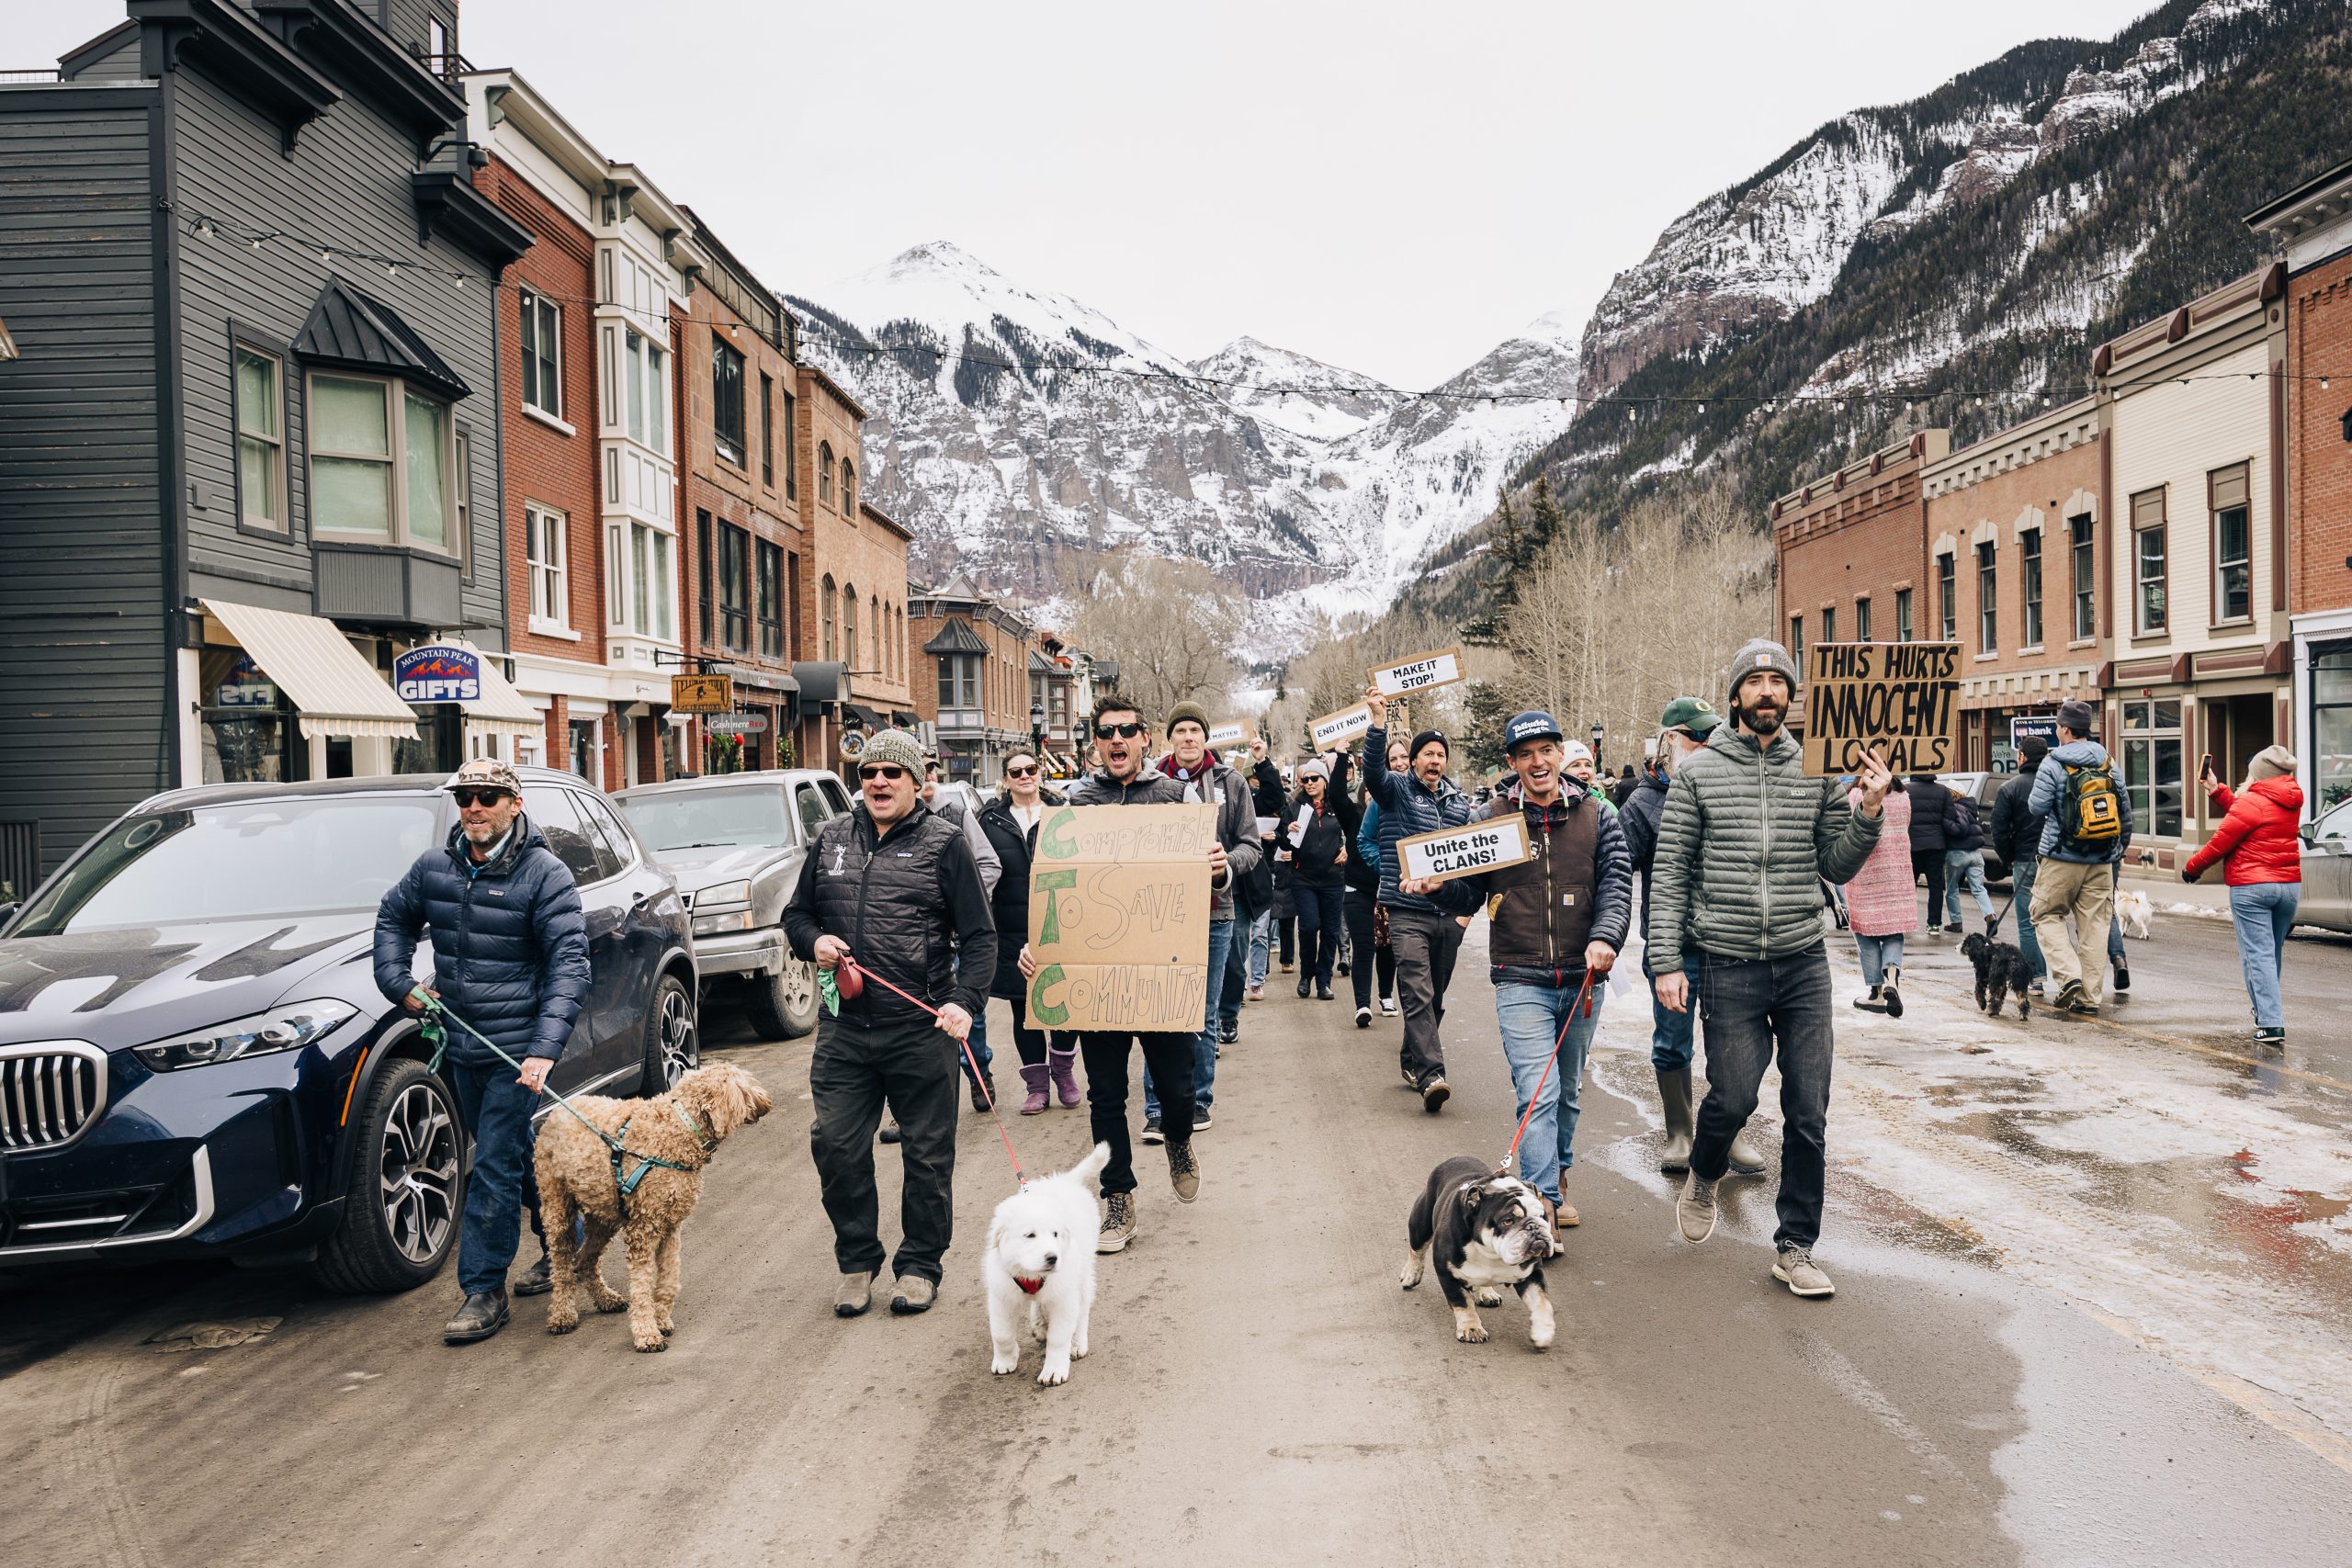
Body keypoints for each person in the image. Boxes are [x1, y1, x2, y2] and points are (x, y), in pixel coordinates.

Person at [1648, 639, 1891, 1300]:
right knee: (1733, 1096)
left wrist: (1868, 811)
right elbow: (1669, 874)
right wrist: (1666, 960)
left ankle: (1795, 1245)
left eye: (1777, 683)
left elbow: (1835, 865)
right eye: (1754, 682)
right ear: (1734, 696)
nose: (1766, 692)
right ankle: (1705, 1169)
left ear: (1791, 697)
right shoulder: (1698, 773)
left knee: (1808, 1108)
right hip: (1728, 961)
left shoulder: (1811, 772)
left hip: (1802, 959)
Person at [373, 758, 591, 1345]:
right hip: (460, 1043)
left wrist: (544, 1049)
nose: (474, 807)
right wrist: (400, 982)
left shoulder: (546, 875)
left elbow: (570, 964)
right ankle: (563, 1240)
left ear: (514, 805)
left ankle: (483, 1290)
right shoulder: (433, 869)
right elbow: (393, 918)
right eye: (466, 796)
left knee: (490, 1162)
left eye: (488, 797)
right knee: (512, 1154)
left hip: (517, 1049)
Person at [784, 728, 996, 1317]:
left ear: (914, 781)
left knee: (928, 1155)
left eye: (891, 773)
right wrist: (814, 939)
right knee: (835, 1145)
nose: (878, 781)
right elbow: (795, 915)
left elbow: (979, 937)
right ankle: (857, 1262)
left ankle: (920, 1266)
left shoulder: (945, 844)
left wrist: (967, 1002)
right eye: (869, 772)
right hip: (845, 1028)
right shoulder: (830, 840)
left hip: (920, 1027)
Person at [1020, 694, 1230, 1253]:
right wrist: (1037, 945)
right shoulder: (1073, 806)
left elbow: (1209, 879)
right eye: (1106, 732)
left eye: (1128, 731)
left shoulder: (1177, 798)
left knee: (1178, 1087)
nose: (1117, 740)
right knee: (1106, 1095)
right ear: (1095, 743)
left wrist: (1219, 870)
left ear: (1145, 738)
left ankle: (1181, 1139)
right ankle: (1119, 1197)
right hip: (1099, 981)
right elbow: (1049, 887)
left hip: (1162, 977)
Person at [1408, 710, 1630, 1236]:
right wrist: (1441, 888)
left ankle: (1559, 1173)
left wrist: (1605, 937)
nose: (1538, 762)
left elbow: (1617, 888)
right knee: (1538, 1091)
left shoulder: (1599, 815)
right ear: (1512, 763)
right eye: (1526, 754)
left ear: (1561, 754)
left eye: (1546, 750)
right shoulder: (1491, 818)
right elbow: (1471, 890)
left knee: (1568, 1092)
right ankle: (1542, 1202)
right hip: (1519, 976)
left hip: (1581, 980)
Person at [1619, 698, 1762, 1178]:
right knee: (1674, 1042)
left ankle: (1729, 1132)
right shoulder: (1642, 803)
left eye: (1710, 735)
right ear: (1669, 742)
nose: (1705, 744)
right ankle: (1680, 1132)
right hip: (1673, 948)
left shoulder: (1732, 785)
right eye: (1695, 737)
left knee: (1732, 1046)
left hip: (1728, 942)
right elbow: (1616, 871)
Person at [1140, 701, 1261, 1143]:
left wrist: (1223, 864)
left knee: (1202, 1016)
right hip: (1154, 915)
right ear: (1169, 737)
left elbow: (1251, 846)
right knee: (1156, 1013)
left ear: (1205, 737)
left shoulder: (1230, 782)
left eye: (1195, 730)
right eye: (1181, 730)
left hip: (1214, 913)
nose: (1188, 737)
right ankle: (1156, 1110)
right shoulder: (1148, 781)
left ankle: (1197, 1102)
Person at [1364, 686, 1476, 1111]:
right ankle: (1433, 1075)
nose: (1434, 760)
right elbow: (1373, 773)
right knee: (1417, 990)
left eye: (1440, 755)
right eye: (1427, 753)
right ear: (1413, 761)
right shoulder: (1394, 789)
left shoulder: (1459, 805)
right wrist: (1378, 723)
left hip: (1448, 912)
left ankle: (1412, 1059)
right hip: (1405, 908)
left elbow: (1473, 865)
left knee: (1438, 994)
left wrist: (1466, 912)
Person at [978, 751, 1078, 1114]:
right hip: (1010, 926)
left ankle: (1064, 1075)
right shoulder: (990, 820)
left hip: (1060, 922)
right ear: (1005, 779)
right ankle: (1037, 1088)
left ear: (1041, 774)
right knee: (1024, 1008)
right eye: (1016, 771)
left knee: (1061, 1004)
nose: (1024, 776)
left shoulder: (1064, 813)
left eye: (1031, 770)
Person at [2183, 745, 2302, 1047]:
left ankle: (2271, 1023)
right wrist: (2217, 789)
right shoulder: (2290, 797)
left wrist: (2191, 869)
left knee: (2257, 956)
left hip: (2253, 888)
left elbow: (2221, 842)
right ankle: (2265, 1010)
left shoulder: (2254, 801)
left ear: (2261, 773)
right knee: (2269, 954)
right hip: (2288, 886)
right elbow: (2248, 814)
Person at [2025, 700, 2127, 1020]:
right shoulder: (2109, 761)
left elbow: (2036, 807)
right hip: (2101, 860)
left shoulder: (2054, 762)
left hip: (2060, 856)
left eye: (2058, 725)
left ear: (2066, 729)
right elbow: (2123, 809)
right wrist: (2118, 850)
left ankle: (2068, 976)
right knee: (2095, 926)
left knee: (2044, 914)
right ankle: (2088, 997)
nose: (2057, 730)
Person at [1843, 776, 1917, 1016]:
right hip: (1897, 872)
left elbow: (1849, 830)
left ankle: (1875, 992)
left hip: (1865, 873)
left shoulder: (1855, 796)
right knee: (1894, 931)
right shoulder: (1904, 798)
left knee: (1866, 934)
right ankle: (1892, 977)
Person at [1992, 734, 2052, 997]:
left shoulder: (2010, 788)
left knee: (2028, 923)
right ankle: (2071, 976)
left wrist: (2008, 858)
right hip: (2057, 861)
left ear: (2023, 757)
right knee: (2055, 920)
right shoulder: (2056, 785)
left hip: (2025, 861)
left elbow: (1999, 831)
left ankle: (2036, 978)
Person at [1344, 747, 1401, 1025]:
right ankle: (1362, 1005)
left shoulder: (1399, 808)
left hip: (1391, 890)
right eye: (1367, 794)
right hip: (1359, 890)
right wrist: (1342, 756)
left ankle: (1386, 995)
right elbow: (1333, 794)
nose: (1371, 797)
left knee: (1387, 947)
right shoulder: (1353, 815)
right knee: (1364, 946)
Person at [1286, 758, 1349, 1000]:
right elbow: (1283, 841)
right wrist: (1286, 831)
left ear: (1325, 781)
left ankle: (1324, 982)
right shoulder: (1296, 807)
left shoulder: (1338, 806)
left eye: (1315, 778)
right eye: (1306, 780)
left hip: (1333, 878)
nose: (1310, 783)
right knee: (1309, 926)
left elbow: (1356, 831)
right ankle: (1306, 976)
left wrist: (1349, 850)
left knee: (1331, 931)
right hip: (1304, 878)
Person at [1941, 784, 1996, 935]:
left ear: (1952, 794)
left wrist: (1944, 823)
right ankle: (1990, 915)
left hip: (1957, 854)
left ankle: (1956, 922)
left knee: (1952, 889)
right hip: (1976, 854)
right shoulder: (1971, 808)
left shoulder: (1955, 808)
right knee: (1979, 889)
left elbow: (1961, 827)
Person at [1903, 772, 1950, 933]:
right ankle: (1934, 924)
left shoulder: (1906, 790)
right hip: (1936, 845)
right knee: (1936, 886)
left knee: (1909, 885)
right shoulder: (1943, 791)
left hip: (1912, 845)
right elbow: (1950, 817)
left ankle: (1906, 921)